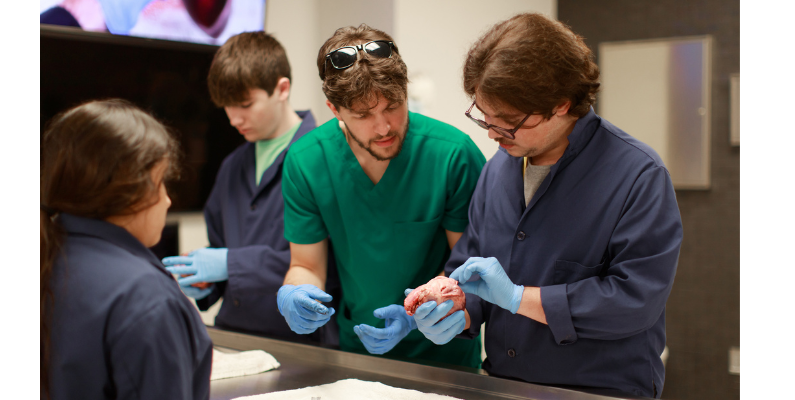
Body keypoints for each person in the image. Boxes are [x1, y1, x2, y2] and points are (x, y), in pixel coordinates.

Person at [410, 14, 683, 399]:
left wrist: (520, 298)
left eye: (507, 122)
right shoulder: (497, 171)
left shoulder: (638, 176)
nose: (491, 133)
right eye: (483, 116)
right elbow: (470, 267)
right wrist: (453, 306)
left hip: (598, 390)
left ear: (561, 104)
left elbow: (634, 301)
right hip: (505, 385)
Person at [276, 24, 486, 368]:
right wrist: (296, 293)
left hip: (445, 355)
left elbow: (471, 269)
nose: (384, 127)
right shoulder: (307, 161)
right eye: (363, 115)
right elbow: (306, 264)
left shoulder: (451, 155)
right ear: (334, 109)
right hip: (357, 350)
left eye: (393, 105)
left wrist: (423, 313)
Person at [161, 31, 338, 346]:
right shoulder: (231, 166)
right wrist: (204, 282)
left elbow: (325, 261)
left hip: (301, 340)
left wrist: (229, 264)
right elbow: (220, 245)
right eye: (227, 107)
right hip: (233, 334)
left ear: (282, 89)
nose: (234, 119)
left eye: (244, 104)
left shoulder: (327, 155)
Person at [40, 100, 212, 400]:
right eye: (161, 184)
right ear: (131, 192)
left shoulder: (51, 256)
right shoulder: (146, 298)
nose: (168, 200)